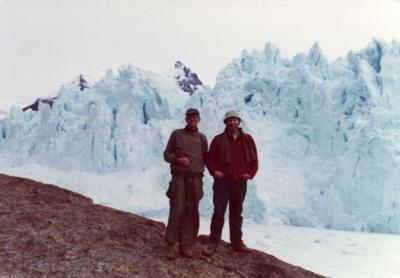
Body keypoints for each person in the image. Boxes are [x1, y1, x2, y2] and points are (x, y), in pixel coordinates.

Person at [203, 110, 258, 256]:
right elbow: (209, 159)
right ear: (226, 123)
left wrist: (250, 174)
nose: (232, 122)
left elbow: (254, 161)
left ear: (239, 122)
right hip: (223, 181)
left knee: (236, 212)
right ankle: (213, 242)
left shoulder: (248, 140)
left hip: (239, 181)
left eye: (234, 120)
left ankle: (237, 243)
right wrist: (214, 171)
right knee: (219, 211)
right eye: (229, 120)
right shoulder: (218, 139)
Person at [163, 108, 208, 259]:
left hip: (195, 178)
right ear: (186, 119)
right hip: (179, 177)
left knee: (191, 210)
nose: (192, 119)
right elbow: (167, 154)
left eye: (195, 117)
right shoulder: (177, 134)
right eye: (189, 117)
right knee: (178, 208)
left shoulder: (202, 138)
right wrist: (177, 160)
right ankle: (172, 244)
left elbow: (206, 158)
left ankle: (186, 244)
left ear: (199, 119)